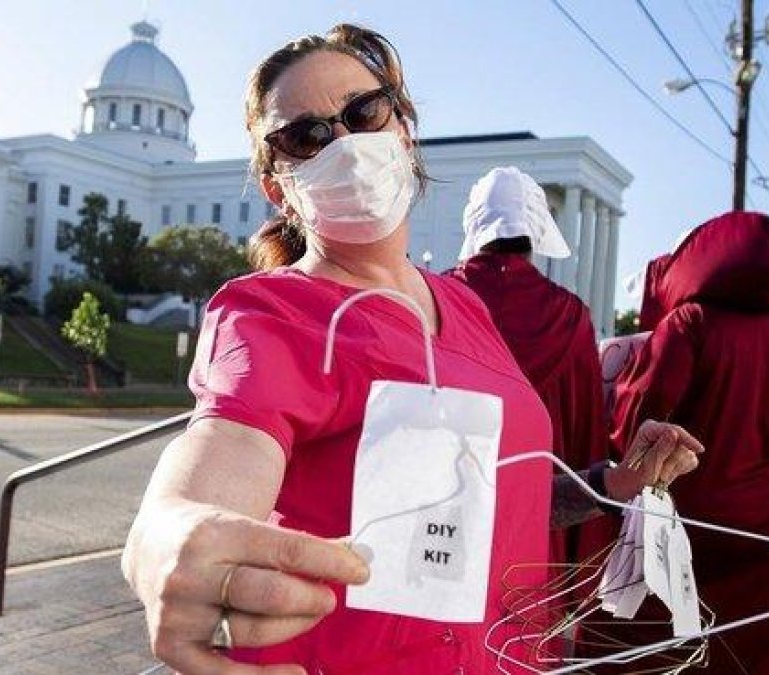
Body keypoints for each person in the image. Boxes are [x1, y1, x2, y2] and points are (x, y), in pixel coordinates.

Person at [121, 24, 702, 675]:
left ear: (403, 127)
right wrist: (165, 532)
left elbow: (498, 491)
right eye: (305, 136)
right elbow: (221, 451)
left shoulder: (466, 306)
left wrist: (616, 481)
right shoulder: (270, 312)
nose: (344, 143)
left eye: (363, 112)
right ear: (278, 187)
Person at [607, 211, 769, 674]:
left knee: (662, 653)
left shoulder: (690, 323)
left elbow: (638, 422)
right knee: (761, 656)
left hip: (700, 521)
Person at [447, 167, 610, 565]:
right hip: (538, 515)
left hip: (446, 516)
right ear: (536, 232)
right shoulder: (570, 316)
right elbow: (585, 438)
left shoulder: (438, 298)